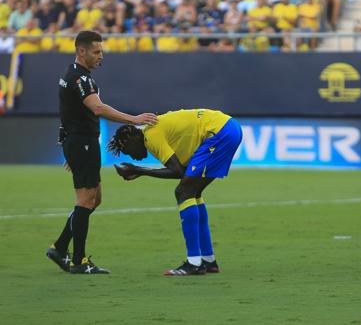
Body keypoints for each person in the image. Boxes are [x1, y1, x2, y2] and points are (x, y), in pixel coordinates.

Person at [46, 31, 158, 274]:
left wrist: (69, 147)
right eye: (96, 52)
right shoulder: (79, 79)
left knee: (95, 199)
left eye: (101, 51)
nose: (101, 56)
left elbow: (68, 112)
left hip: (80, 144)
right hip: (82, 143)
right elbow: (97, 108)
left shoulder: (72, 75)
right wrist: (134, 119)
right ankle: (79, 261)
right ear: (81, 51)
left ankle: (60, 246)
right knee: (85, 200)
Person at [107, 109, 243, 276]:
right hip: (228, 127)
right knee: (193, 192)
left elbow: (177, 171)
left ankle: (194, 263)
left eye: (128, 150)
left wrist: (139, 170)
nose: (132, 157)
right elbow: (183, 170)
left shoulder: (151, 137)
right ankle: (208, 260)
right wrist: (140, 170)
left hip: (219, 132)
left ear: (132, 139)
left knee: (183, 192)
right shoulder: (154, 131)